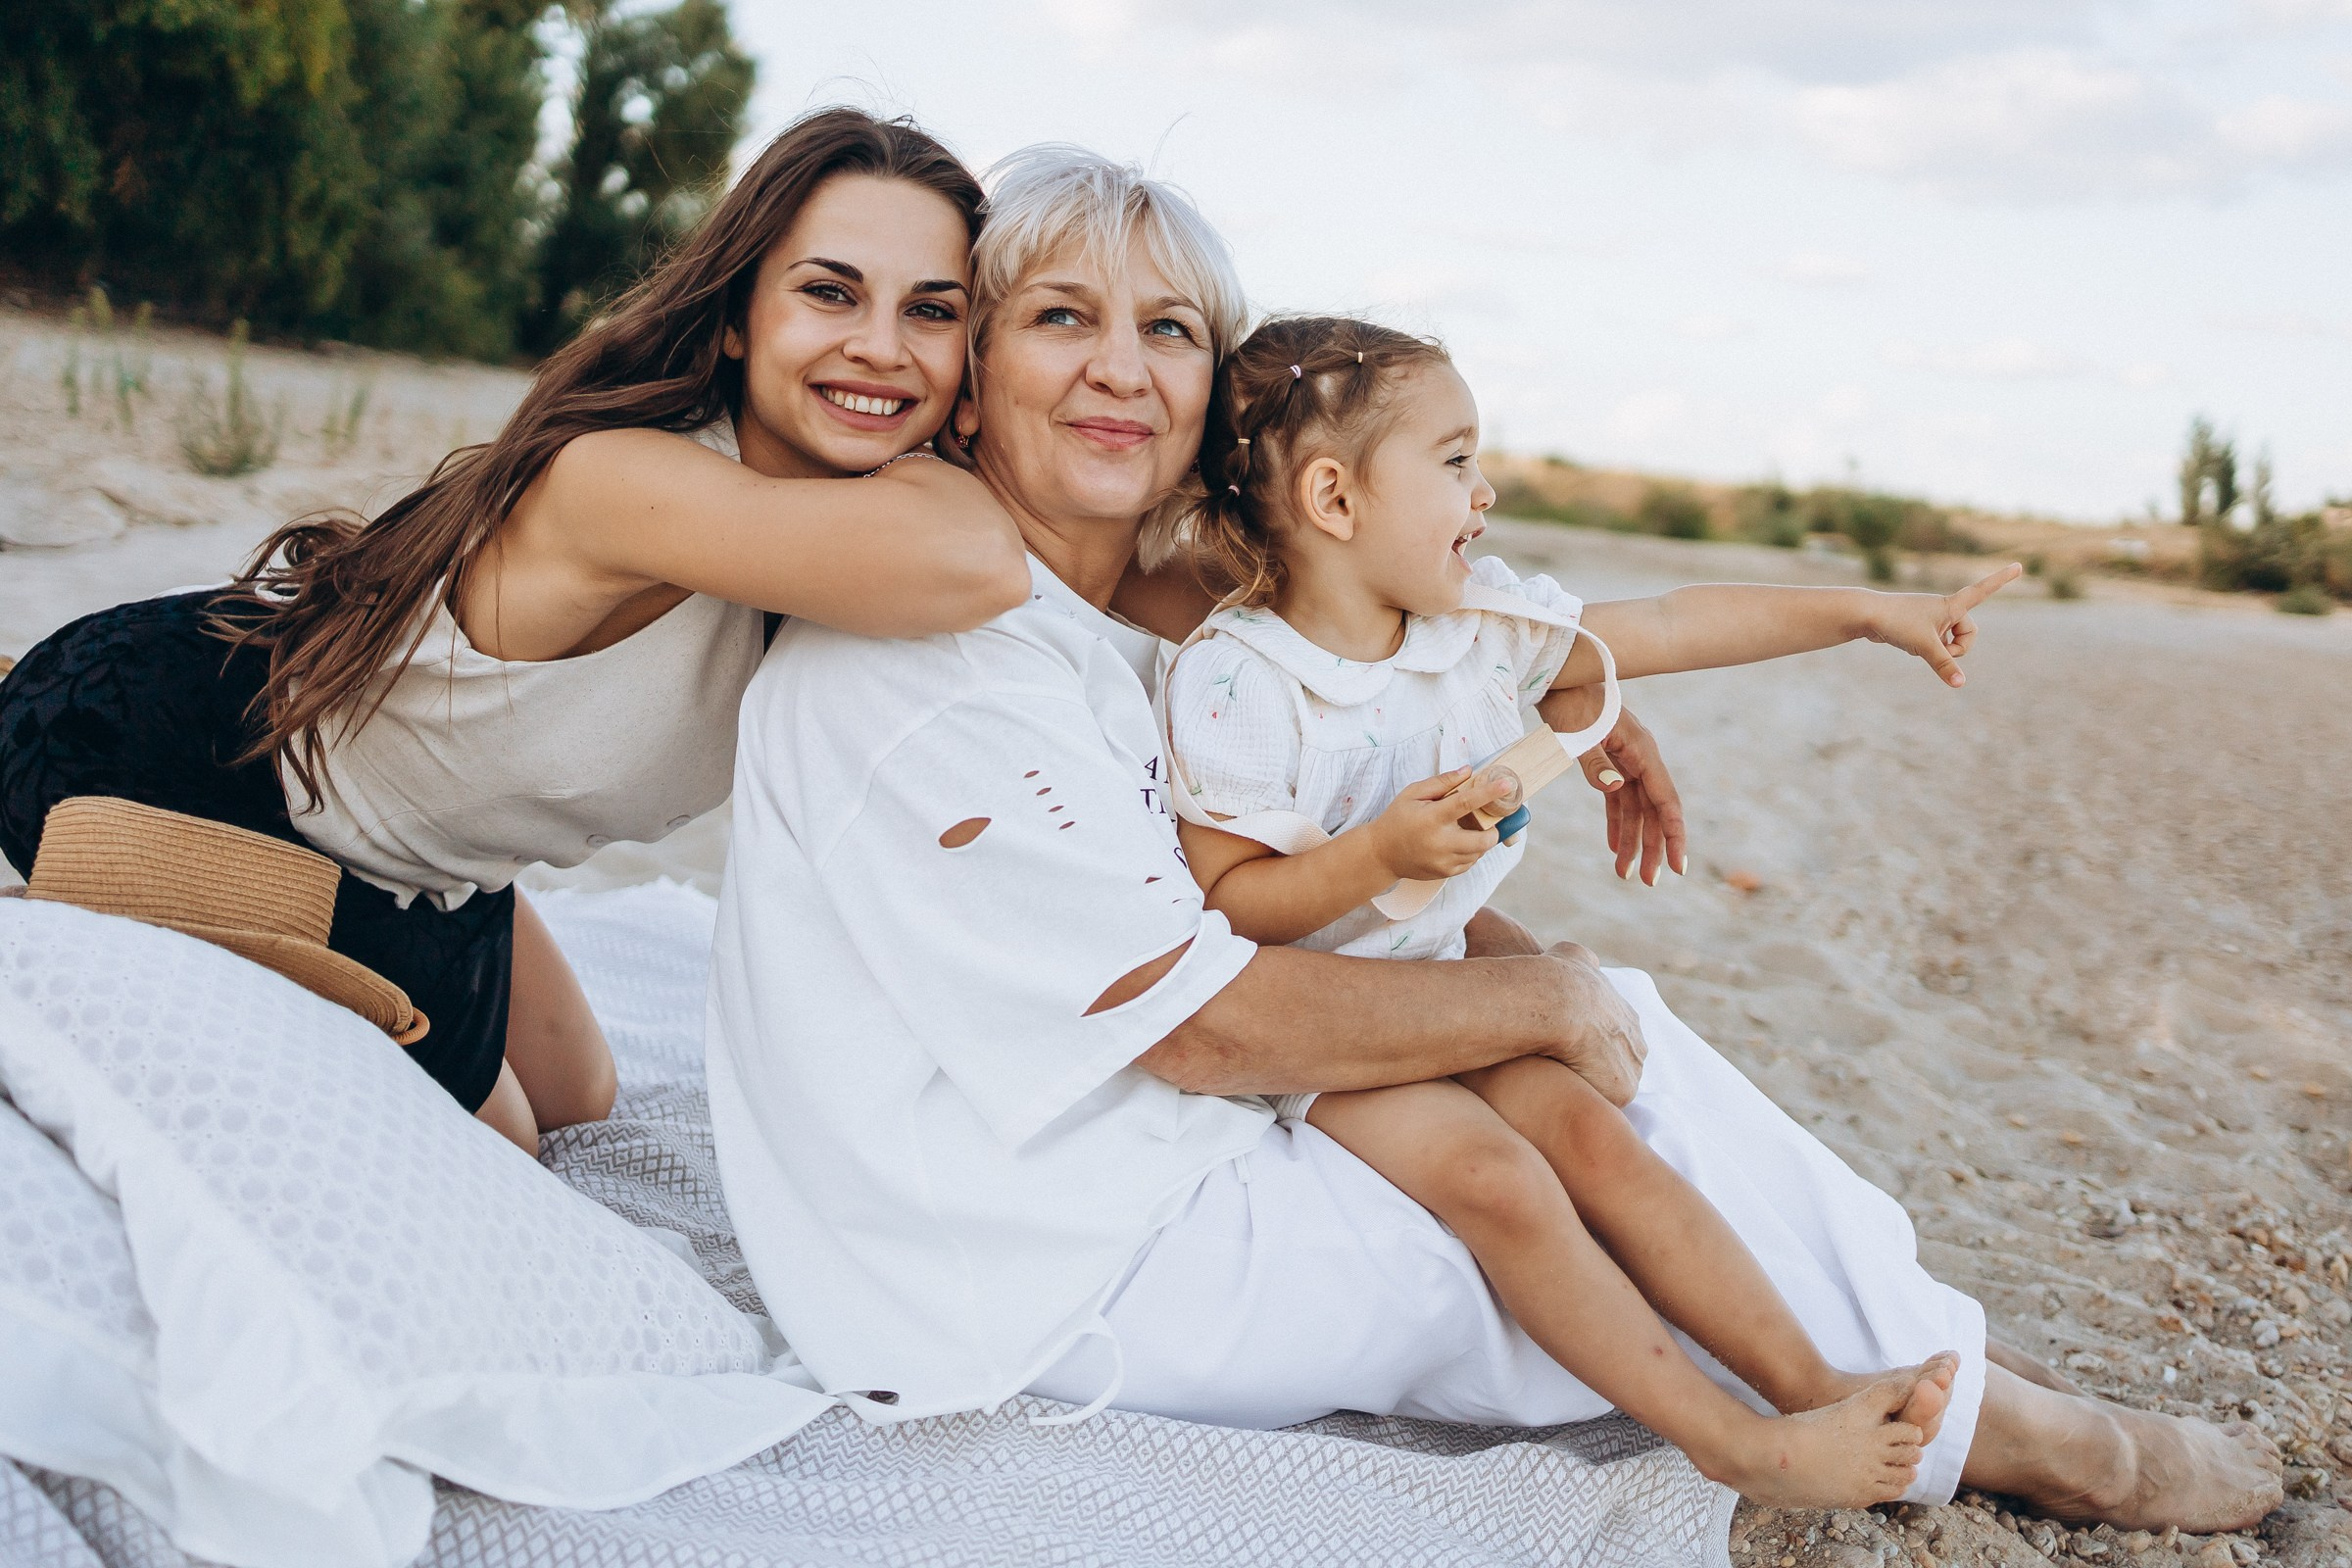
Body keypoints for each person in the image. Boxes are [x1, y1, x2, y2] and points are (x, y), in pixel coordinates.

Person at [706, 143, 2283, 1532]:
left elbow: (1357, 620)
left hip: (1104, 1135)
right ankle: (1976, 1416)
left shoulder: (1132, 599)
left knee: (1584, 1045)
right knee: (1569, 1082)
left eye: (1170, 330)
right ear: (977, 373)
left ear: (1216, 391)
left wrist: (1529, 684)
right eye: (1062, 318)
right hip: (1036, 1259)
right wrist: (1549, 995)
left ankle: (1938, 1354)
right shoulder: (924, 651)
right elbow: (1212, 1020)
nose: (1123, 369)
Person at [0, 109, 1031, 1152]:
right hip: (184, 751)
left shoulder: (843, 535)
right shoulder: (625, 480)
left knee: (579, 1098)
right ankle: (84, 890)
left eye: (933, 312)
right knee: (506, 1148)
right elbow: (985, 558)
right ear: (736, 317)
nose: (881, 348)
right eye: (829, 291)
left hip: (437, 864)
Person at [1157, 312, 2034, 1505]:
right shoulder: (1236, 679)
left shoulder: (1477, 630)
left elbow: (1669, 621)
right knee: (1499, 1180)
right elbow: (1234, 906)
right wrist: (1378, 852)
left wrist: (1868, 613)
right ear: (1333, 496)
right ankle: (1731, 1441)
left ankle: (1809, 1376)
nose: (1489, 490)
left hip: (1443, 975)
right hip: (1331, 1028)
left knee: (1592, 1140)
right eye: (1456, 460)